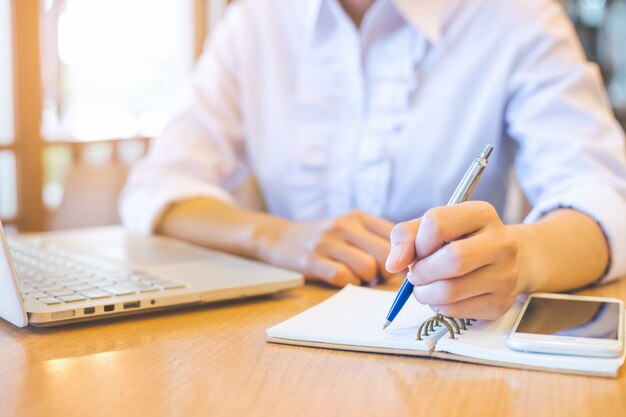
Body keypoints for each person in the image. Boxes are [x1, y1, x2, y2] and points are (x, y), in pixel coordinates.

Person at [120, 0, 626, 320]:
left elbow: (604, 200)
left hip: (443, 347)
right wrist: (277, 236)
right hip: (284, 341)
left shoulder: (518, 17)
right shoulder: (256, 19)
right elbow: (158, 187)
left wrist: (522, 256)